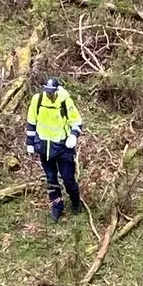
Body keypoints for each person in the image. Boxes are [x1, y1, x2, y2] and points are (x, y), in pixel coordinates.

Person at [25, 77, 86, 222]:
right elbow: (31, 122)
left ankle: (76, 202)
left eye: (52, 92)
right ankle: (56, 206)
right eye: (47, 92)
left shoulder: (65, 101)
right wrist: (30, 143)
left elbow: (76, 121)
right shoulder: (37, 100)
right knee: (51, 179)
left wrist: (74, 135)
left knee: (68, 178)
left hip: (63, 146)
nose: (49, 95)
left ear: (57, 91)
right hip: (44, 147)